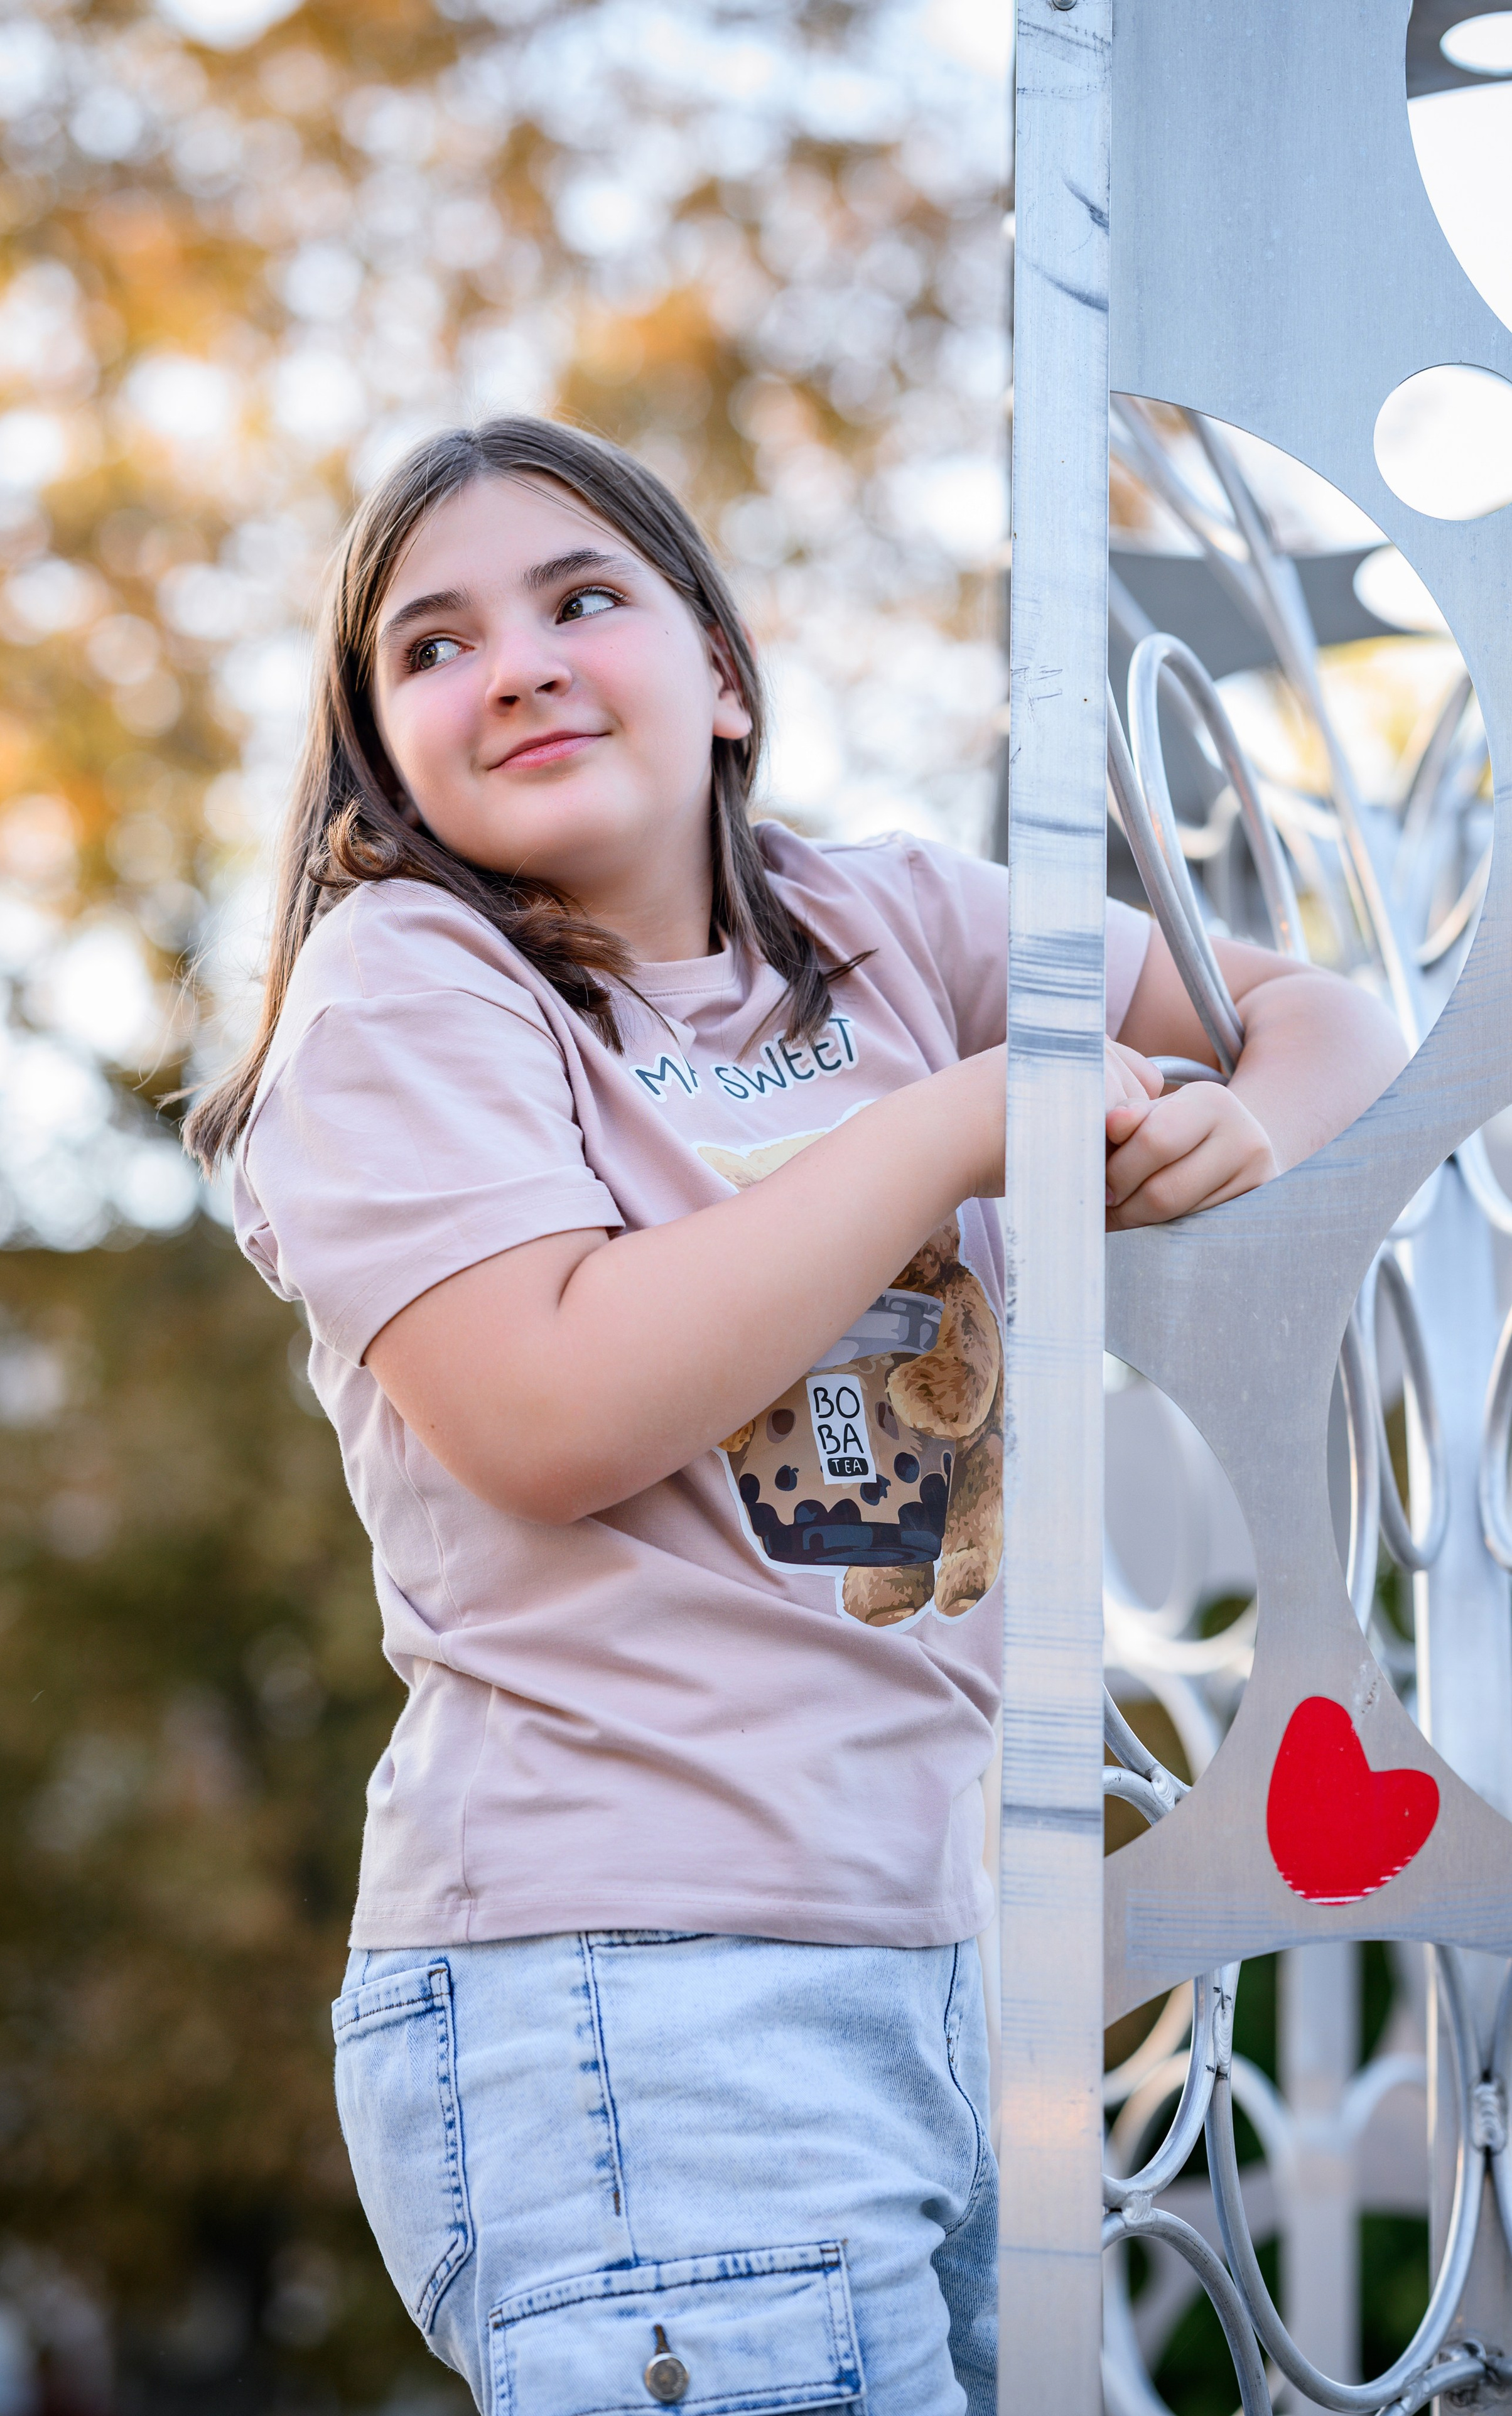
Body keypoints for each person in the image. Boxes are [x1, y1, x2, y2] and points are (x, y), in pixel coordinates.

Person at [184, 417, 1404, 2415]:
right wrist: (971, 1124)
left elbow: (1328, 1008)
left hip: (927, 1963)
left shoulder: (889, 921)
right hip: (636, 1988)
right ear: (382, 746)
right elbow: (556, 1405)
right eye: (433, 644)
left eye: (585, 598)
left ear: (725, 675)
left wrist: (1250, 1118)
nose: (518, 661)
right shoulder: (408, 987)